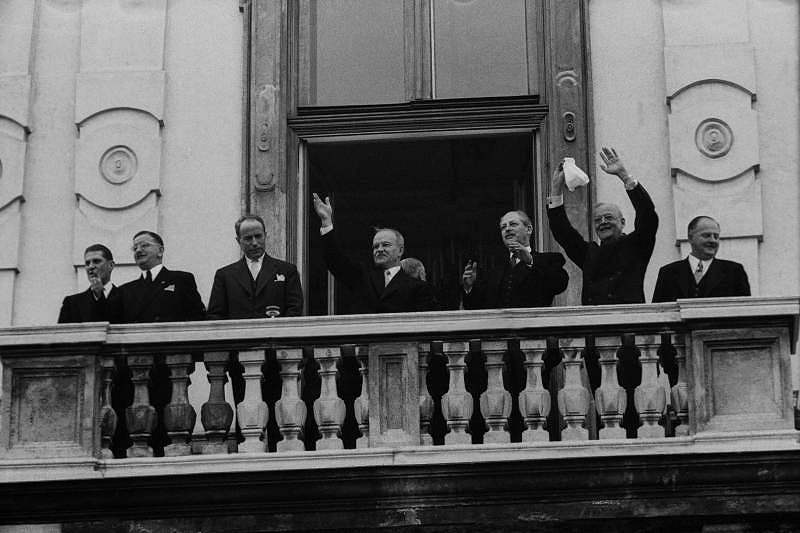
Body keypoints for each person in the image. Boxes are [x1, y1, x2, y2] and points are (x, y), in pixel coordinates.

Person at [547, 147, 658, 305]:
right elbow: (563, 233)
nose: (603, 222)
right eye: (598, 220)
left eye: (609, 217)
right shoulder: (589, 253)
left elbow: (647, 214)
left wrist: (624, 176)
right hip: (595, 324)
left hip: (628, 323)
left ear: (623, 222)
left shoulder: (637, 245)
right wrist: (556, 188)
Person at [312, 193, 434, 313]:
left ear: (400, 251)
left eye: (386, 245)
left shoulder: (417, 287)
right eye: (376, 246)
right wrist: (326, 222)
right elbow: (335, 261)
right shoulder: (362, 276)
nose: (379, 249)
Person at [461, 210, 569, 309]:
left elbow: (559, 284)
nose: (507, 229)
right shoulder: (494, 270)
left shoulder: (549, 260)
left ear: (529, 229)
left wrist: (530, 261)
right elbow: (475, 307)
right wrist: (469, 288)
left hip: (532, 327)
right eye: (503, 227)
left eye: (513, 224)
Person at [208, 215, 303, 319]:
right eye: (248, 238)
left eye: (258, 236)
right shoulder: (225, 276)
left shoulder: (287, 271)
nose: (254, 243)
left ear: (265, 236)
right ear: (238, 241)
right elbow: (215, 315)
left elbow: (295, 311)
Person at [113, 230, 206, 323]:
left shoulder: (181, 280)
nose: (138, 250)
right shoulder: (125, 290)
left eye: (144, 245)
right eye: (135, 248)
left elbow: (197, 317)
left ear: (160, 251)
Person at [652, 216, 750, 302]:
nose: (712, 240)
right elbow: (658, 314)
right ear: (690, 238)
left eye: (716, 236)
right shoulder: (668, 273)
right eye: (706, 235)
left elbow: (745, 313)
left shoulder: (734, 271)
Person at [58, 244, 119, 323]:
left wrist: (99, 295)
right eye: (87, 263)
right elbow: (63, 334)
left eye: (96, 261)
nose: (90, 267)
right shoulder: (71, 303)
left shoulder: (126, 298)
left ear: (110, 265)